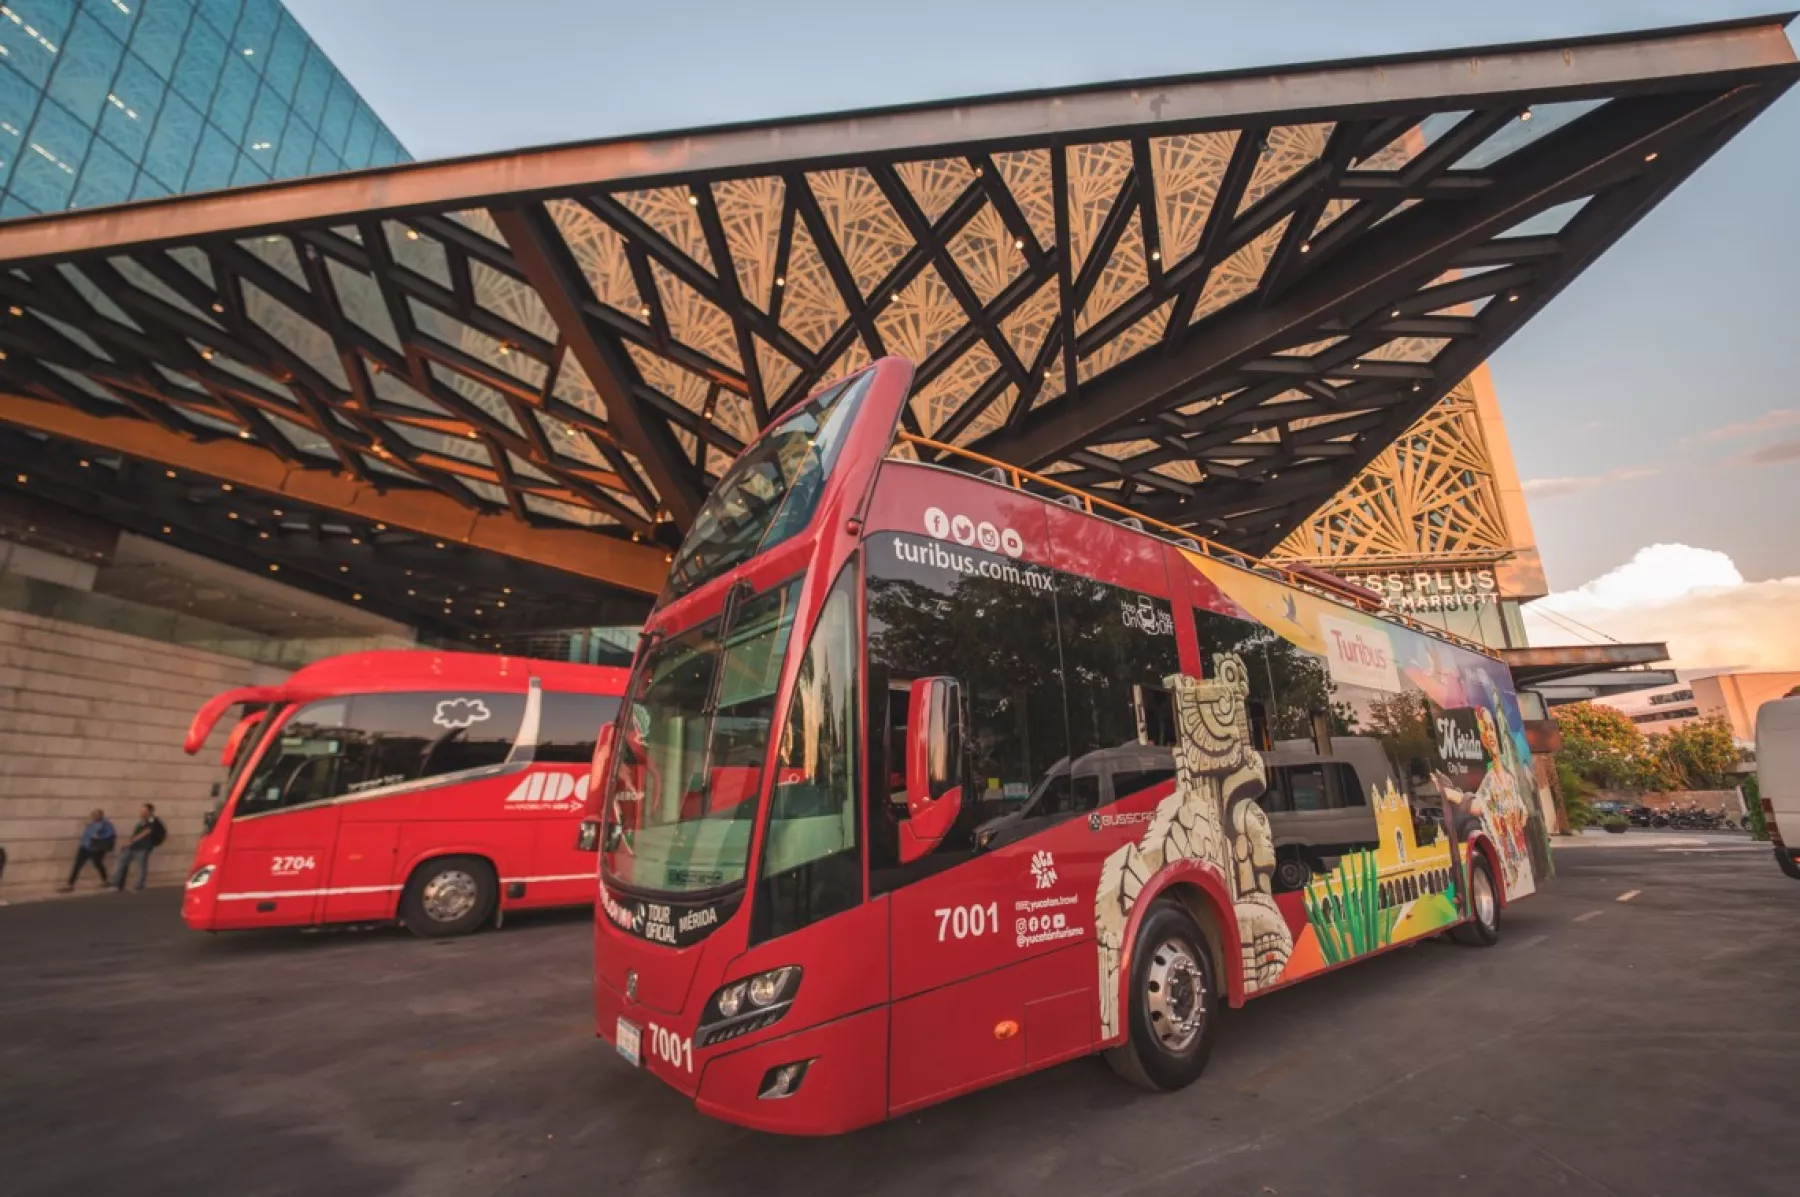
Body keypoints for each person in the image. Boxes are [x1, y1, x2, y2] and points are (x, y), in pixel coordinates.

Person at [112, 804, 166, 893]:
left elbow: (146, 832)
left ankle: (138, 885)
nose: (141, 813)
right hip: (134, 846)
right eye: (141, 811)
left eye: (144, 811)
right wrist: (128, 843)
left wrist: (131, 841)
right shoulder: (142, 821)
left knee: (141, 866)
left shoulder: (152, 820)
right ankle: (115, 882)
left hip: (143, 847)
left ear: (150, 812)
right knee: (121, 860)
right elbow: (136, 833)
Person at [59, 809, 116, 892]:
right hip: (85, 847)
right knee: (77, 865)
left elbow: (110, 835)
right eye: (93, 815)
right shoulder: (92, 823)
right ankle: (70, 884)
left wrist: (99, 836)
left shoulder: (106, 824)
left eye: (95, 815)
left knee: (98, 864)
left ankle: (106, 880)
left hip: (95, 849)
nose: (93, 817)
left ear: (101, 815)